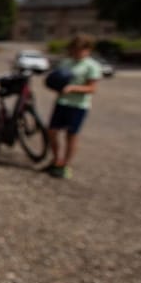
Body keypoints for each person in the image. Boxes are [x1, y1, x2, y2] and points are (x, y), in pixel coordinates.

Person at [46, 34, 101, 179]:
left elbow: (92, 89)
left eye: (80, 50)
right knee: (51, 131)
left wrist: (73, 88)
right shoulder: (66, 63)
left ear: (87, 50)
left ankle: (66, 164)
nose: (76, 53)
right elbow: (56, 79)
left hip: (78, 105)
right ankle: (56, 159)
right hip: (62, 102)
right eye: (74, 50)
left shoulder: (92, 66)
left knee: (71, 135)